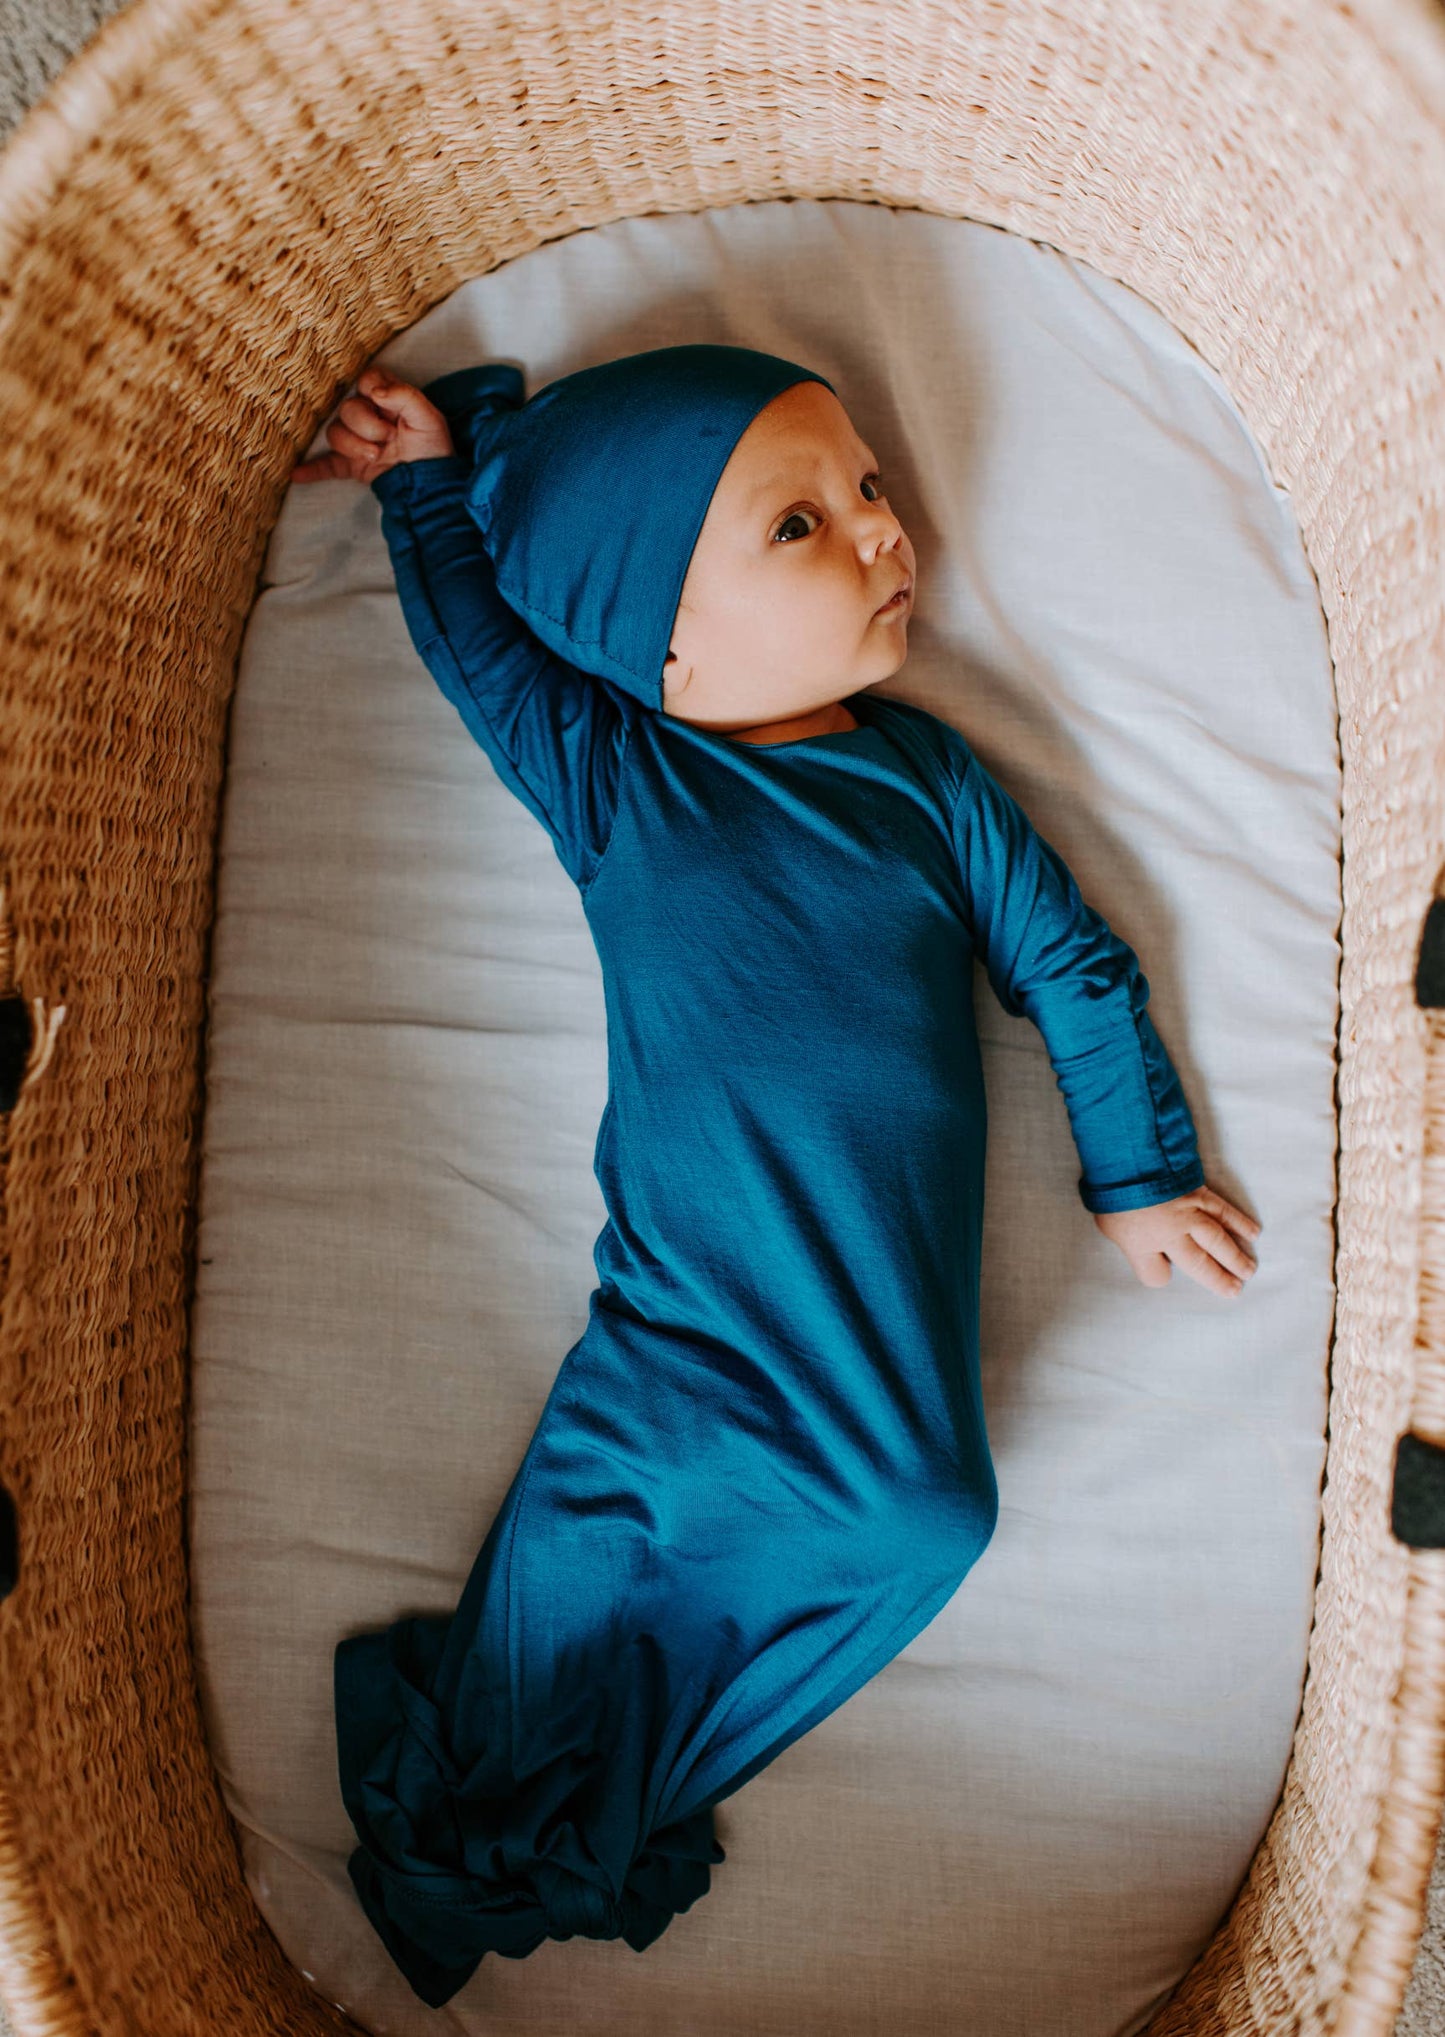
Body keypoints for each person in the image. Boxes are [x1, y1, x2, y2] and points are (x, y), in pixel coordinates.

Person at [292, 344, 1261, 2008]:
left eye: (869, 488)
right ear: (655, 641)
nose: (885, 532)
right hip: (677, 1322)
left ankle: (615, 1794)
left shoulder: (929, 783)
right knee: (594, 1536)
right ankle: (488, 1808)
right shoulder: (623, 777)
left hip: (863, 1357)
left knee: (925, 1516)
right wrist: (423, 481)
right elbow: (474, 645)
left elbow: (1074, 967)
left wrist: (1135, 1171)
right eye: (802, 525)